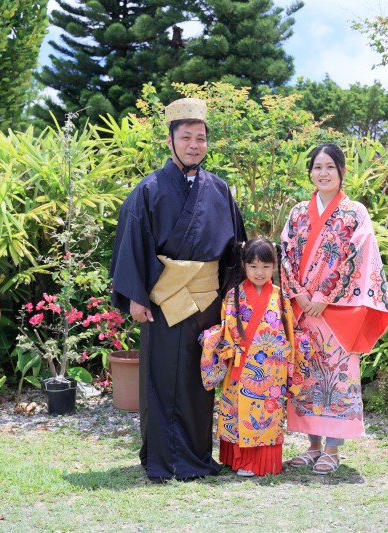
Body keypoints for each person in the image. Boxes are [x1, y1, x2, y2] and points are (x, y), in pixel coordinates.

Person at [109, 98, 247, 482]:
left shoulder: (219, 190)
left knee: (200, 380)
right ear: (169, 141)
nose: (194, 145)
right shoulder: (149, 190)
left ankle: (197, 457)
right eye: (185, 137)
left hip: (207, 302)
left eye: (200, 138)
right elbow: (132, 241)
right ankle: (163, 459)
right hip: (165, 303)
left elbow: (235, 248)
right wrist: (136, 295)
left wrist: (239, 295)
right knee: (161, 378)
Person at [280, 143, 388, 474]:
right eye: (317, 167)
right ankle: (313, 446)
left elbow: (357, 255)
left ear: (342, 171)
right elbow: (286, 251)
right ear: (310, 173)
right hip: (302, 309)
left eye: (330, 166)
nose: (323, 173)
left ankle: (333, 449)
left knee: (337, 378)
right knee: (307, 378)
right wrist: (299, 293)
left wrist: (324, 296)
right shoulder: (298, 212)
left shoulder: (355, 212)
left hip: (336, 309)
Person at [199, 238, 310, 477]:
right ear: (243, 265)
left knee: (265, 414)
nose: (260, 272)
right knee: (238, 412)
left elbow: (289, 334)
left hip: (271, 370)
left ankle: (260, 462)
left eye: (266, 266)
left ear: (274, 266)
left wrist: (288, 356)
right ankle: (237, 459)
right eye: (253, 266)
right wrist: (220, 346)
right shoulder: (233, 296)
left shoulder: (281, 297)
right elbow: (227, 329)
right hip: (240, 366)